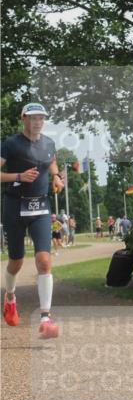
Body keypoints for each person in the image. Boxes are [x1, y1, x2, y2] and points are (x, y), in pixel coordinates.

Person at [0, 103, 64, 338]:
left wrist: (56, 177)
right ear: (23, 118)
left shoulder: (48, 143)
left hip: (41, 207)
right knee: (16, 262)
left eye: (41, 118)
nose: (38, 122)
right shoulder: (11, 144)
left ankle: (46, 317)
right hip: (14, 206)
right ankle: (10, 297)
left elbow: (51, 161)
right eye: (33, 118)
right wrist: (18, 176)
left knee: (44, 261)